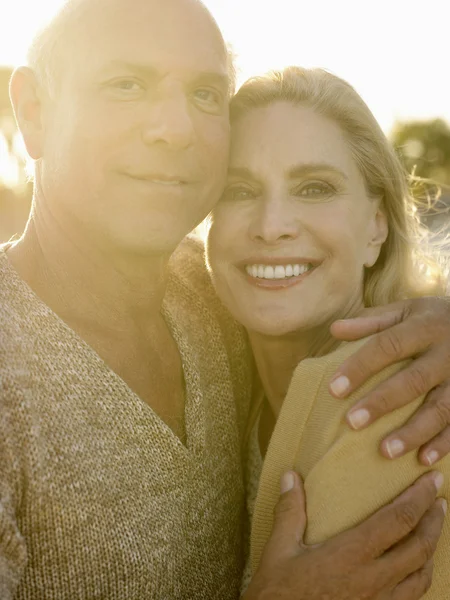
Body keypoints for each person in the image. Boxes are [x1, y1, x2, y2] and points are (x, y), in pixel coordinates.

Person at [1, 0, 450, 597]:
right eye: (126, 84)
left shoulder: (216, 300)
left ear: (378, 222)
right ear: (33, 110)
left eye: (207, 93)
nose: (175, 127)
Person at [205, 66, 450, 598]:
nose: (272, 225)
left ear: (377, 227)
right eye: (238, 189)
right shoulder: (220, 365)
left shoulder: (394, 413)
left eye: (314, 188)